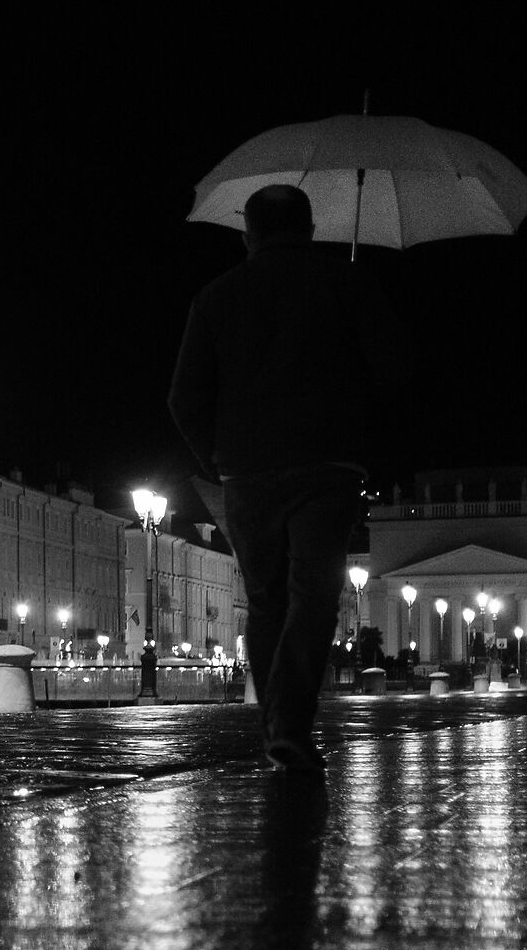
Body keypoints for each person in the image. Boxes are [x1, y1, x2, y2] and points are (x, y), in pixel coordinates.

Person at [168, 182, 396, 777]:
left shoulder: (216, 296)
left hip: (248, 472)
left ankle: (276, 724)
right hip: (329, 466)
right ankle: (289, 726)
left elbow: (183, 397)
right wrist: (364, 447)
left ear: (248, 234)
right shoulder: (346, 283)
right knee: (314, 596)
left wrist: (217, 458)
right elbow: (391, 376)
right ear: (312, 228)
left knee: (265, 599)